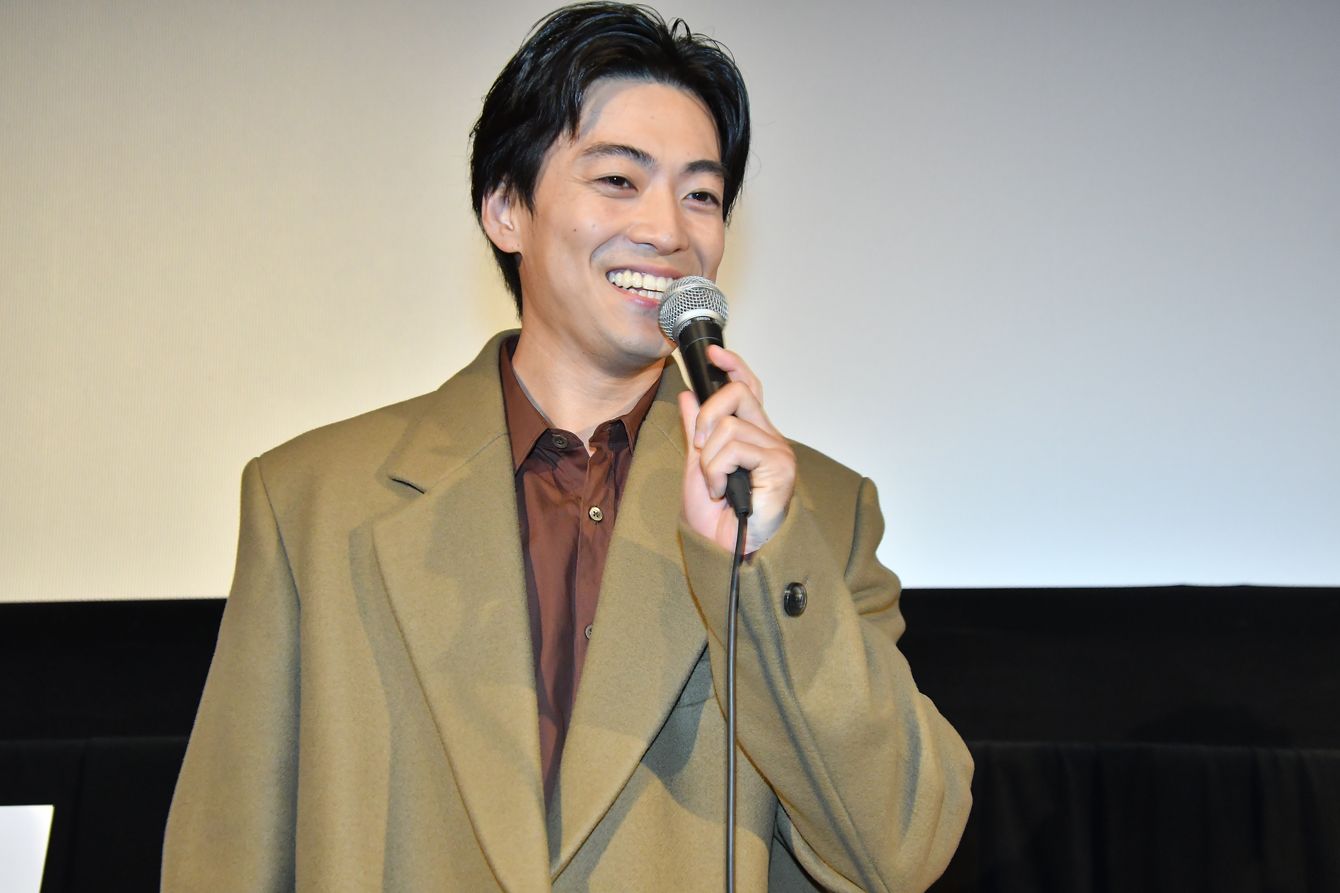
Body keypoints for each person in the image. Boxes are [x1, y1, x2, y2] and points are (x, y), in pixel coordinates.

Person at [162, 3, 972, 890]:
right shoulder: (313, 500)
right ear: (506, 209)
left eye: (701, 194)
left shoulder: (814, 512)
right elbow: (225, 857)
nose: (668, 229)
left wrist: (761, 553)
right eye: (619, 179)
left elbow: (900, 850)